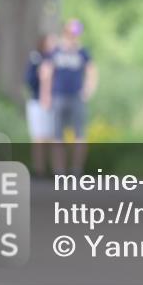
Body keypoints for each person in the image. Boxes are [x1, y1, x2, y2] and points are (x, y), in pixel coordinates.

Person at [40, 19, 98, 176]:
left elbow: (92, 70)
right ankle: (59, 171)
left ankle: (76, 169)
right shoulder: (56, 51)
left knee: (80, 134)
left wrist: (88, 89)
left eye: (76, 34)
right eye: (71, 33)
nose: (73, 36)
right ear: (65, 32)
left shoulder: (82, 52)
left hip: (76, 97)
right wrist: (45, 95)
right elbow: (47, 73)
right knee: (57, 136)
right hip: (58, 96)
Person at [24, 34, 56, 176]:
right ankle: (39, 169)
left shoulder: (55, 59)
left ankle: (52, 168)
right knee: (38, 137)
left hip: (52, 103)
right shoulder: (36, 59)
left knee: (51, 137)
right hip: (37, 102)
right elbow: (29, 81)